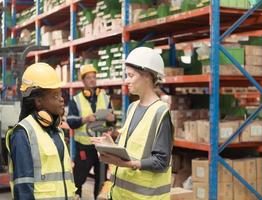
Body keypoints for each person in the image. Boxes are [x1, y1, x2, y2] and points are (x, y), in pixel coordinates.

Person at [91, 47, 174, 200]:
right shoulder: (132, 107)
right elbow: (131, 148)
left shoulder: (160, 113)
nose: (126, 80)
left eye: (130, 75)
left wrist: (127, 164)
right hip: (120, 195)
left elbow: (161, 161)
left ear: (147, 75)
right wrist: (112, 146)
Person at [5, 62, 76, 200]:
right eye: (55, 95)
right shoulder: (23, 133)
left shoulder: (57, 131)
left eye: (60, 94)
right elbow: (24, 188)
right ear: (38, 101)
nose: (61, 99)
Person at [67, 64, 114, 199]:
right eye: (89, 78)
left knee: (101, 180)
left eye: (94, 77)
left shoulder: (105, 97)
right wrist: (85, 119)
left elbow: (111, 121)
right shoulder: (75, 100)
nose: (92, 80)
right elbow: (70, 121)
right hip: (84, 147)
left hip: (101, 146)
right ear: (83, 81)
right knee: (78, 178)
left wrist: (112, 118)